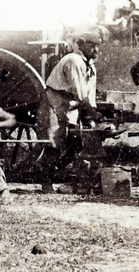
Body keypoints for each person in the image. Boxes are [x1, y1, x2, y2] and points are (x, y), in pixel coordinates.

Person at [38, 31, 104, 193]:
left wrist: (92, 113)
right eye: (91, 46)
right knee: (54, 145)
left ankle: (48, 174)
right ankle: (45, 182)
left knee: (75, 147)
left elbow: (90, 94)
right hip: (54, 103)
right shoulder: (73, 61)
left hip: (70, 107)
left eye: (97, 47)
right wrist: (92, 114)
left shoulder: (90, 65)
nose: (95, 50)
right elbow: (80, 93)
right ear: (80, 45)